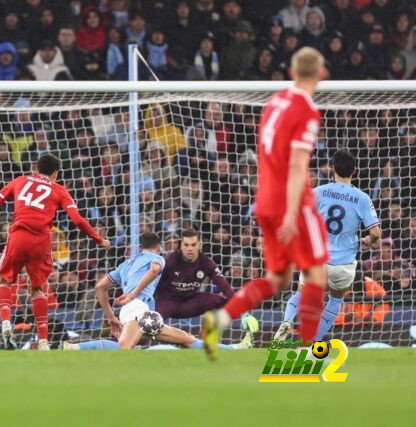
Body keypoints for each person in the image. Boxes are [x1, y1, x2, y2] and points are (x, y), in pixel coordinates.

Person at [201, 47, 329, 361]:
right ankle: (310, 351)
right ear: (322, 73)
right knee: (316, 274)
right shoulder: (307, 110)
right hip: (292, 203)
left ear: (292, 72)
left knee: (279, 279)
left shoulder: (275, 102)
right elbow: (298, 165)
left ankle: (220, 319)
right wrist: (291, 211)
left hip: (265, 200)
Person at [0, 154, 110, 351]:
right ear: (55, 174)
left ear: (35, 169)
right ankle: (43, 341)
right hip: (41, 241)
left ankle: (6, 322)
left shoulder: (20, 180)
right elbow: (77, 220)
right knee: (37, 289)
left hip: (19, 235)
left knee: (4, 280)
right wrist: (99, 239)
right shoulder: (59, 189)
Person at [275, 149, 381, 342]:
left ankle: (288, 320)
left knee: (300, 295)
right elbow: (375, 233)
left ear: (332, 169)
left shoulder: (318, 192)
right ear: (354, 171)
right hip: (343, 264)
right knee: (335, 301)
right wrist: (368, 242)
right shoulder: (363, 198)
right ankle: (310, 342)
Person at [64, 233, 208, 351]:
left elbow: (100, 287)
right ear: (158, 247)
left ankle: (230, 348)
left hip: (133, 310)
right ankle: (74, 347)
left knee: (187, 340)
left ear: (140, 248)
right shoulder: (157, 258)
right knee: (125, 347)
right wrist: (133, 294)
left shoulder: (126, 264)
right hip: (138, 306)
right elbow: (155, 269)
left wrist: (110, 317)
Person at [155, 229, 258, 347]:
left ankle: (205, 335)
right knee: (150, 324)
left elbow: (226, 288)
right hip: (167, 304)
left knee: (222, 301)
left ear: (199, 245)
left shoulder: (206, 263)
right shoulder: (170, 261)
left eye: (193, 245)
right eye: (186, 245)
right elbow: (154, 285)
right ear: (181, 246)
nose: (189, 248)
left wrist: (244, 313)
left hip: (190, 303)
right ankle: (132, 345)